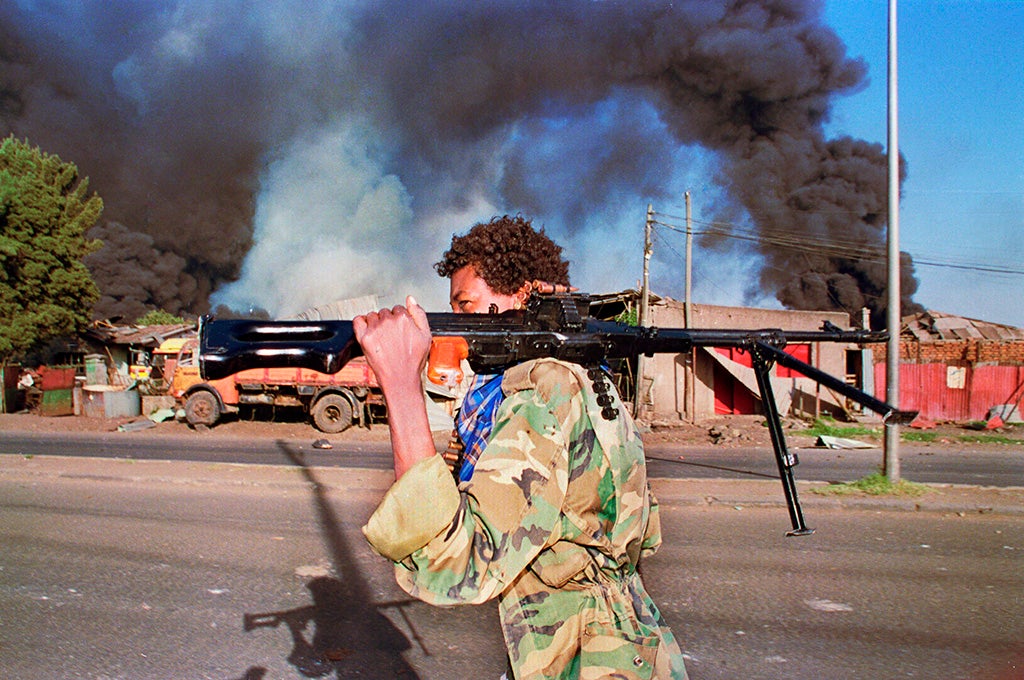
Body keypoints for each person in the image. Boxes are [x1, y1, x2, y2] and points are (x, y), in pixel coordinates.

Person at [355, 215, 688, 679]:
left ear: (524, 295)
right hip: (614, 647)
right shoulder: (586, 377)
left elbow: (452, 563)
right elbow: (637, 537)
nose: (459, 325)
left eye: (467, 305)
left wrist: (399, 383)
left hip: (585, 660)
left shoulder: (545, 391)